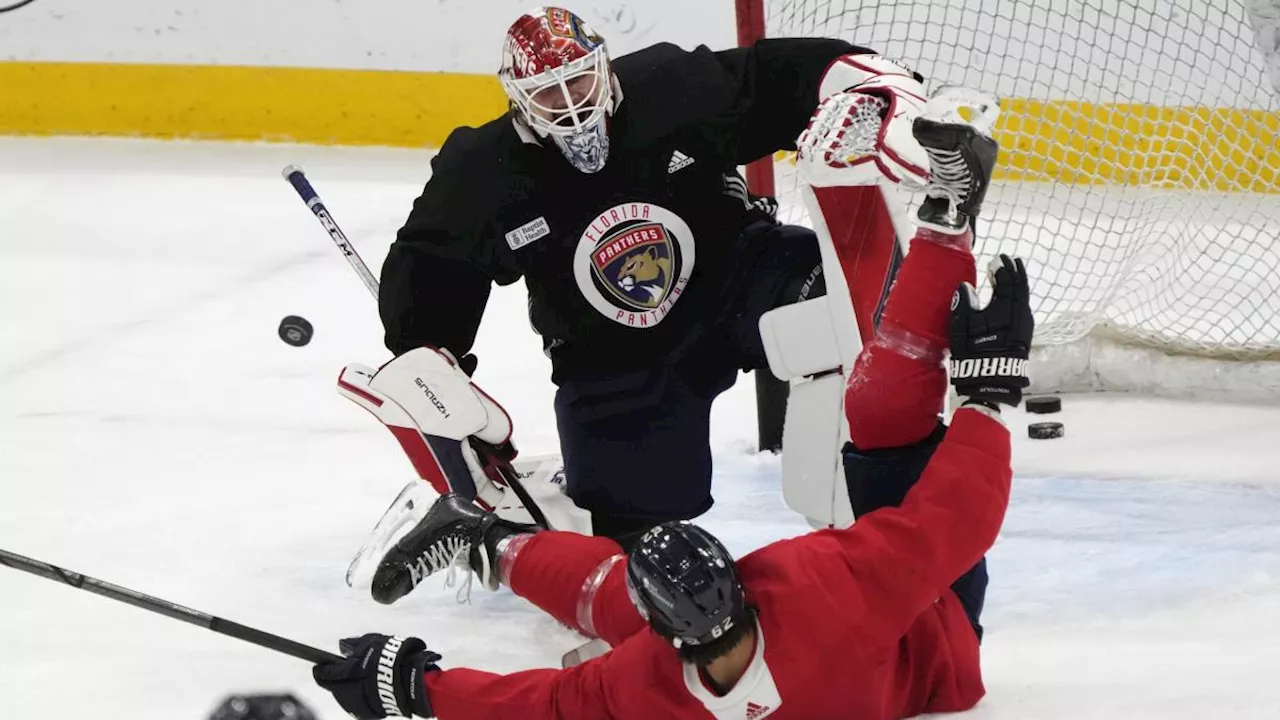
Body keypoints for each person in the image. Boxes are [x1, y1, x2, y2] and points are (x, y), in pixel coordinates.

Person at [311, 104, 1035, 719]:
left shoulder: (645, 686)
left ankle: (488, 538)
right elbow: (954, 519)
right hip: (933, 647)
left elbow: (548, 706)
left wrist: (417, 689)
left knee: (608, 592)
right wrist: (990, 394)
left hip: (887, 626)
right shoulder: (816, 591)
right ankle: (945, 221)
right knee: (879, 411)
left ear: (662, 634)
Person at [375, 5, 938, 548]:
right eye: (550, 93)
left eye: (580, 83)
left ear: (604, 67)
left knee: (842, 309)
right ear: (519, 101)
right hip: (613, 360)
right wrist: (430, 358)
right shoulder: (483, 171)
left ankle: (884, 502)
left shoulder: (670, 87)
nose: (571, 106)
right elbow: (433, 261)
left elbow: (772, 78)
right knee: (637, 546)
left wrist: (865, 83)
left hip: (737, 279)